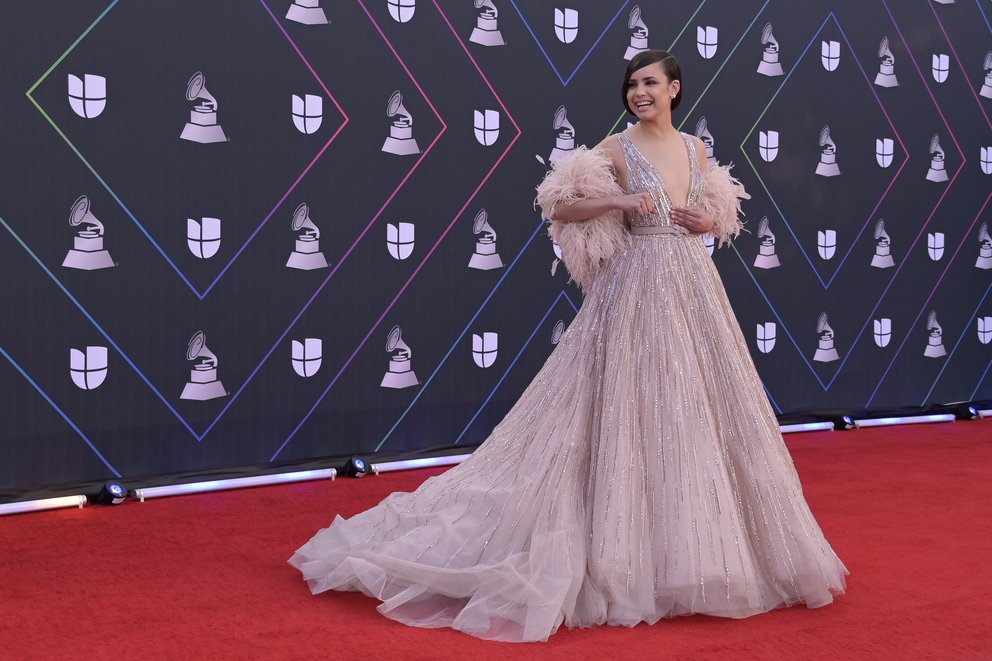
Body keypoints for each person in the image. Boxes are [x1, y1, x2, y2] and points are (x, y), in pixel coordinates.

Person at [289, 50, 849, 643]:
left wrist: (707, 222)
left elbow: (714, 209)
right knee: (626, 403)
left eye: (651, 83)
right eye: (632, 84)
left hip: (693, 283)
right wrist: (618, 202)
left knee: (695, 404)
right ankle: (622, 555)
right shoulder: (613, 149)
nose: (639, 92)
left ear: (675, 89)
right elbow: (559, 205)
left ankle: (699, 554)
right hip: (635, 287)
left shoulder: (695, 149)